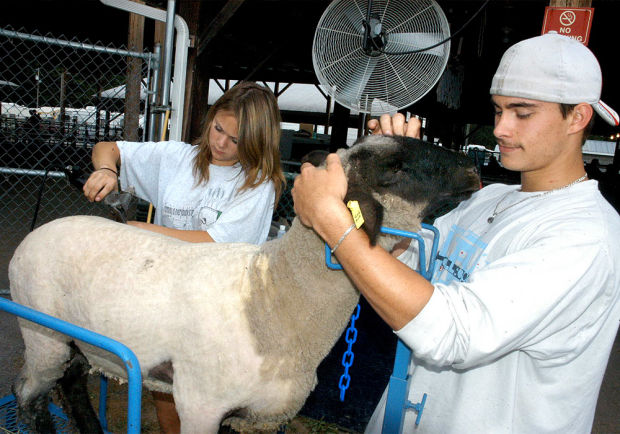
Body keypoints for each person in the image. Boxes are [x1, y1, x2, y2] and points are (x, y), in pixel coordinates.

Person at [292, 33, 620, 433]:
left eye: (523, 113)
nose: (500, 127)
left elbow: (454, 332)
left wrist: (333, 223)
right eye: (498, 110)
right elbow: (401, 264)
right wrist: (386, 179)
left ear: (578, 118)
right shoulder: (488, 200)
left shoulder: (586, 236)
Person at [83, 81, 285, 432]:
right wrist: (107, 170)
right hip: (167, 303)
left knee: (206, 410)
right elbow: (109, 148)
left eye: (235, 140)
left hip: (219, 313)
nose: (220, 143)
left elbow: (210, 243)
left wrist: (137, 231)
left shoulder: (258, 184)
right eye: (218, 128)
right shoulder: (178, 158)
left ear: (255, 143)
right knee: (166, 399)